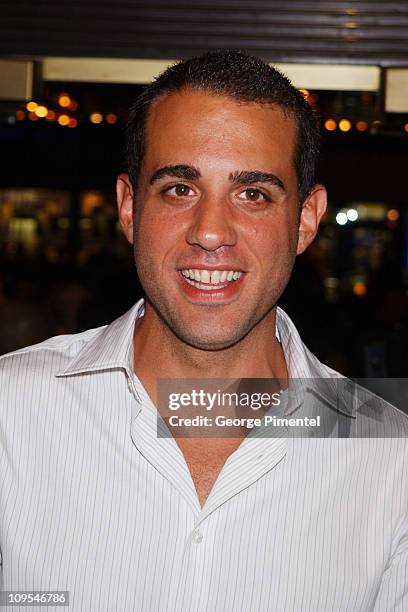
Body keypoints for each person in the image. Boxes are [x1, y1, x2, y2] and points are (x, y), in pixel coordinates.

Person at [0, 50, 407, 611]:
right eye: (179, 189)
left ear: (307, 220)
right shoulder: (11, 413)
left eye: (253, 194)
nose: (211, 232)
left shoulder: (390, 459)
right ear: (128, 208)